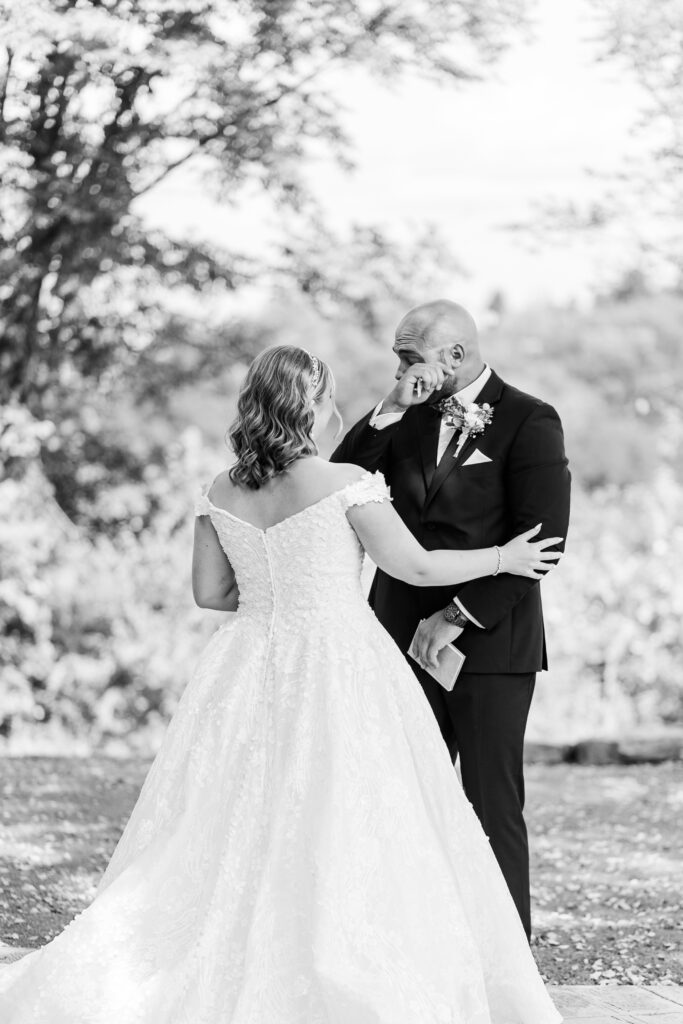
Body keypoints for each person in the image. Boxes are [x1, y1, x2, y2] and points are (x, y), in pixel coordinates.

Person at [0, 346, 563, 1023]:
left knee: (233, 811)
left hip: (244, 661)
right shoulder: (346, 483)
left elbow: (211, 593)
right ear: (312, 404)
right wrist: (503, 556)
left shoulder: (220, 490)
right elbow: (412, 567)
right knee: (344, 807)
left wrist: (273, 588)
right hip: (335, 660)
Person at [332, 300, 572, 940]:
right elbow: (338, 480)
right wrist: (390, 406)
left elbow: (544, 542)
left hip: (492, 645)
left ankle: (506, 960)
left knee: (492, 805)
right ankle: (415, 950)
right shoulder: (405, 413)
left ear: (454, 355)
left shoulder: (530, 420)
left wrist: (458, 615)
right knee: (405, 798)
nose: (399, 368)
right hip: (397, 639)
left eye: (408, 356)